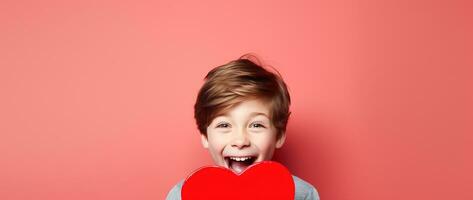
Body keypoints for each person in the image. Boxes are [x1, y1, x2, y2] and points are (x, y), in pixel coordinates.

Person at [166, 54, 320, 200]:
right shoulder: (182, 195)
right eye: (224, 125)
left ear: (279, 135)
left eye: (256, 125)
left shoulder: (303, 194)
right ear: (205, 136)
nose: (240, 141)